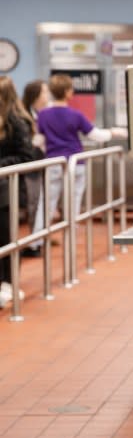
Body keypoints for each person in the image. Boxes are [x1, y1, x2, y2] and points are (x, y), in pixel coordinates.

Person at [31, 74, 127, 250]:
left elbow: (38, 141)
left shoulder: (43, 115)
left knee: (47, 204)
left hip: (53, 163)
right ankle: (70, 238)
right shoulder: (75, 115)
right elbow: (96, 135)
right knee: (73, 204)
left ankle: (36, 241)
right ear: (68, 92)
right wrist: (114, 132)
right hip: (75, 164)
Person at [0, 76, 38, 308]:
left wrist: (1, 165)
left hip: (6, 190)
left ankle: (9, 282)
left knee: (6, 238)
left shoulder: (17, 122)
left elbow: (26, 156)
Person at [20, 79, 49, 257]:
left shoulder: (40, 113)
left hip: (40, 164)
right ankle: (34, 243)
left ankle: (37, 239)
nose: (47, 95)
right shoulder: (25, 116)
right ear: (36, 94)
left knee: (38, 202)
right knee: (33, 203)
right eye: (44, 92)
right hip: (30, 166)